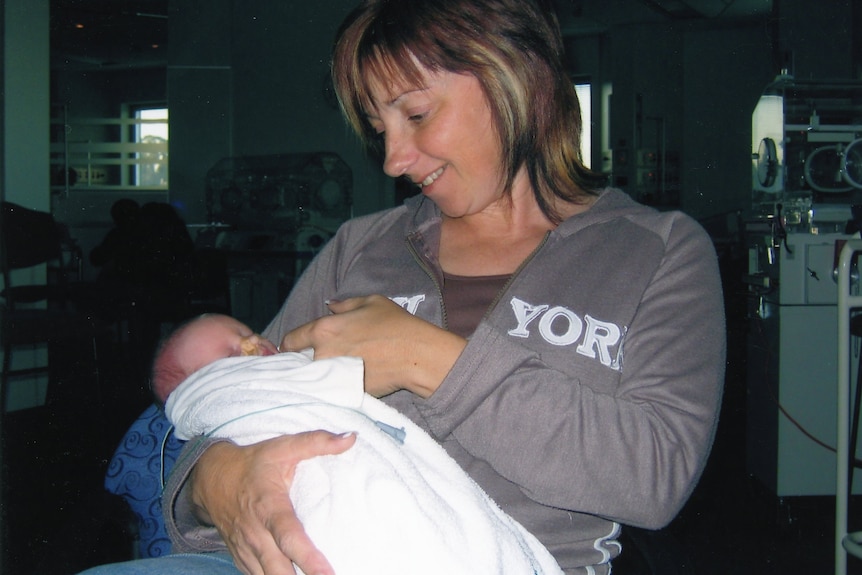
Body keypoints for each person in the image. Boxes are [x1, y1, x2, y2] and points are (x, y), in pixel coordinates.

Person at [80, 0, 725, 574]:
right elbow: (235, 403)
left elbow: (654, 476)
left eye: (415, 114)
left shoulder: (658, 250)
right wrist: (215, 481)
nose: (392, 160)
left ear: (518, 80)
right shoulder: (359, 248)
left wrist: (427, 360)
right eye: (381, 128)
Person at [150, 313, 565, 575]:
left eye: (249, 333)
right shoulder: (353, 246)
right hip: (275, 541)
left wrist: (428, 359)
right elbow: (213, 426)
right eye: (234, 350)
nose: (254, 343)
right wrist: (217, 472)